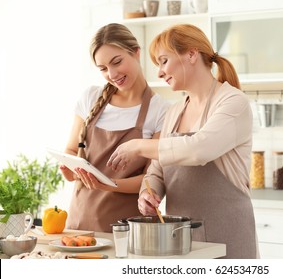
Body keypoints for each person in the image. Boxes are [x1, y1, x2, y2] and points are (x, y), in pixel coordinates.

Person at [107, 24, 259, 258]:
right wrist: (147, 193)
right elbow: (156, 171)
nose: (158, 72)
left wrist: (138, 146)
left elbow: (199, 149)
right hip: (182, 240)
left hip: (228, 236)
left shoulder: (232, 102)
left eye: (163, 61)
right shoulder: (174, 112)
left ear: (191, 54)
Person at [59, 23, 171, 232]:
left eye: (117, 62)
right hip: (80, 225)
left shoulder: (161, 110)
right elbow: (71, 151)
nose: (111, 73)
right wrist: (69, 169)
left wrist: (107, 184)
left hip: (129, 229)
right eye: (102, 69)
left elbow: (152, 178)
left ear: (136, 53)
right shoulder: (90, 97)